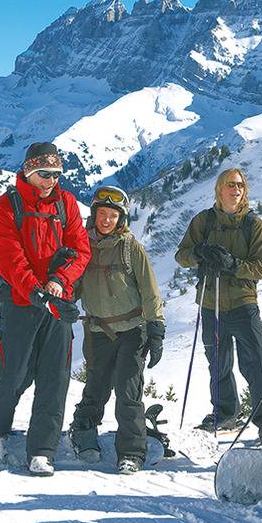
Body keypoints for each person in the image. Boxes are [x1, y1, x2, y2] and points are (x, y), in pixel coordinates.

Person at [0, 142, 91, 476]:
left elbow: (80, 249)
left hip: (58, 301)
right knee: (11, 373)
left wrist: (59, 280)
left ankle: (43, 449)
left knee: (54, 378)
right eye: (44, 174)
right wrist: (36, 291)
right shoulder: (7, 206)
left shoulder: (66, 203)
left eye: (56, 174)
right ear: (28, 171)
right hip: (20, 302)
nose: (50, 181)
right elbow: (9, 258)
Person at [175, 167, 262, 443]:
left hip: (243, 302)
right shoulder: (204, 221)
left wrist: (233, 264)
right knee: (218, 362)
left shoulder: (253, 225)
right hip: (211, 303)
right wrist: (199, 253)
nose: (236, 190)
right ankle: (224, 413)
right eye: (231, 185)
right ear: (219, 189)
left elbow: (260, 267)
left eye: (240, 185)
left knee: (256, 361)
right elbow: (181, 255)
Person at [67, 185, 165, 474]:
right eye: (102, 214)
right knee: (96, 387)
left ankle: (132, 452)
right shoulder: (84, 246)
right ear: (94, 215)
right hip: (98, 330)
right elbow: (74, 285)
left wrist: (156, 328)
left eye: (112, 215)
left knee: (128, 391)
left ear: (120, 219)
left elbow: (150, 291)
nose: (106, 220)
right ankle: (83, 432)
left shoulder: (130, 248)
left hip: (133, 330)